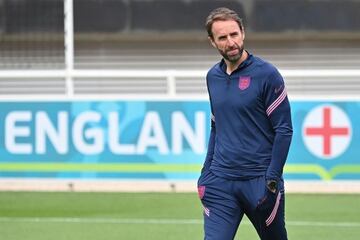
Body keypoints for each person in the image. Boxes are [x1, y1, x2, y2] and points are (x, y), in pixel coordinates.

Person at [197, 7, 293, 240]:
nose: (231, 42)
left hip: (259, 183)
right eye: (222, 37)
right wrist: (205, 174)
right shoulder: (213, 77)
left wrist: (271, 180)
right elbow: (216, 126)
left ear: (243, 33)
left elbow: (284, 129)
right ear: (212, 42)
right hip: (220, 183)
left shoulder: (267, 74)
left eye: (234, 34)